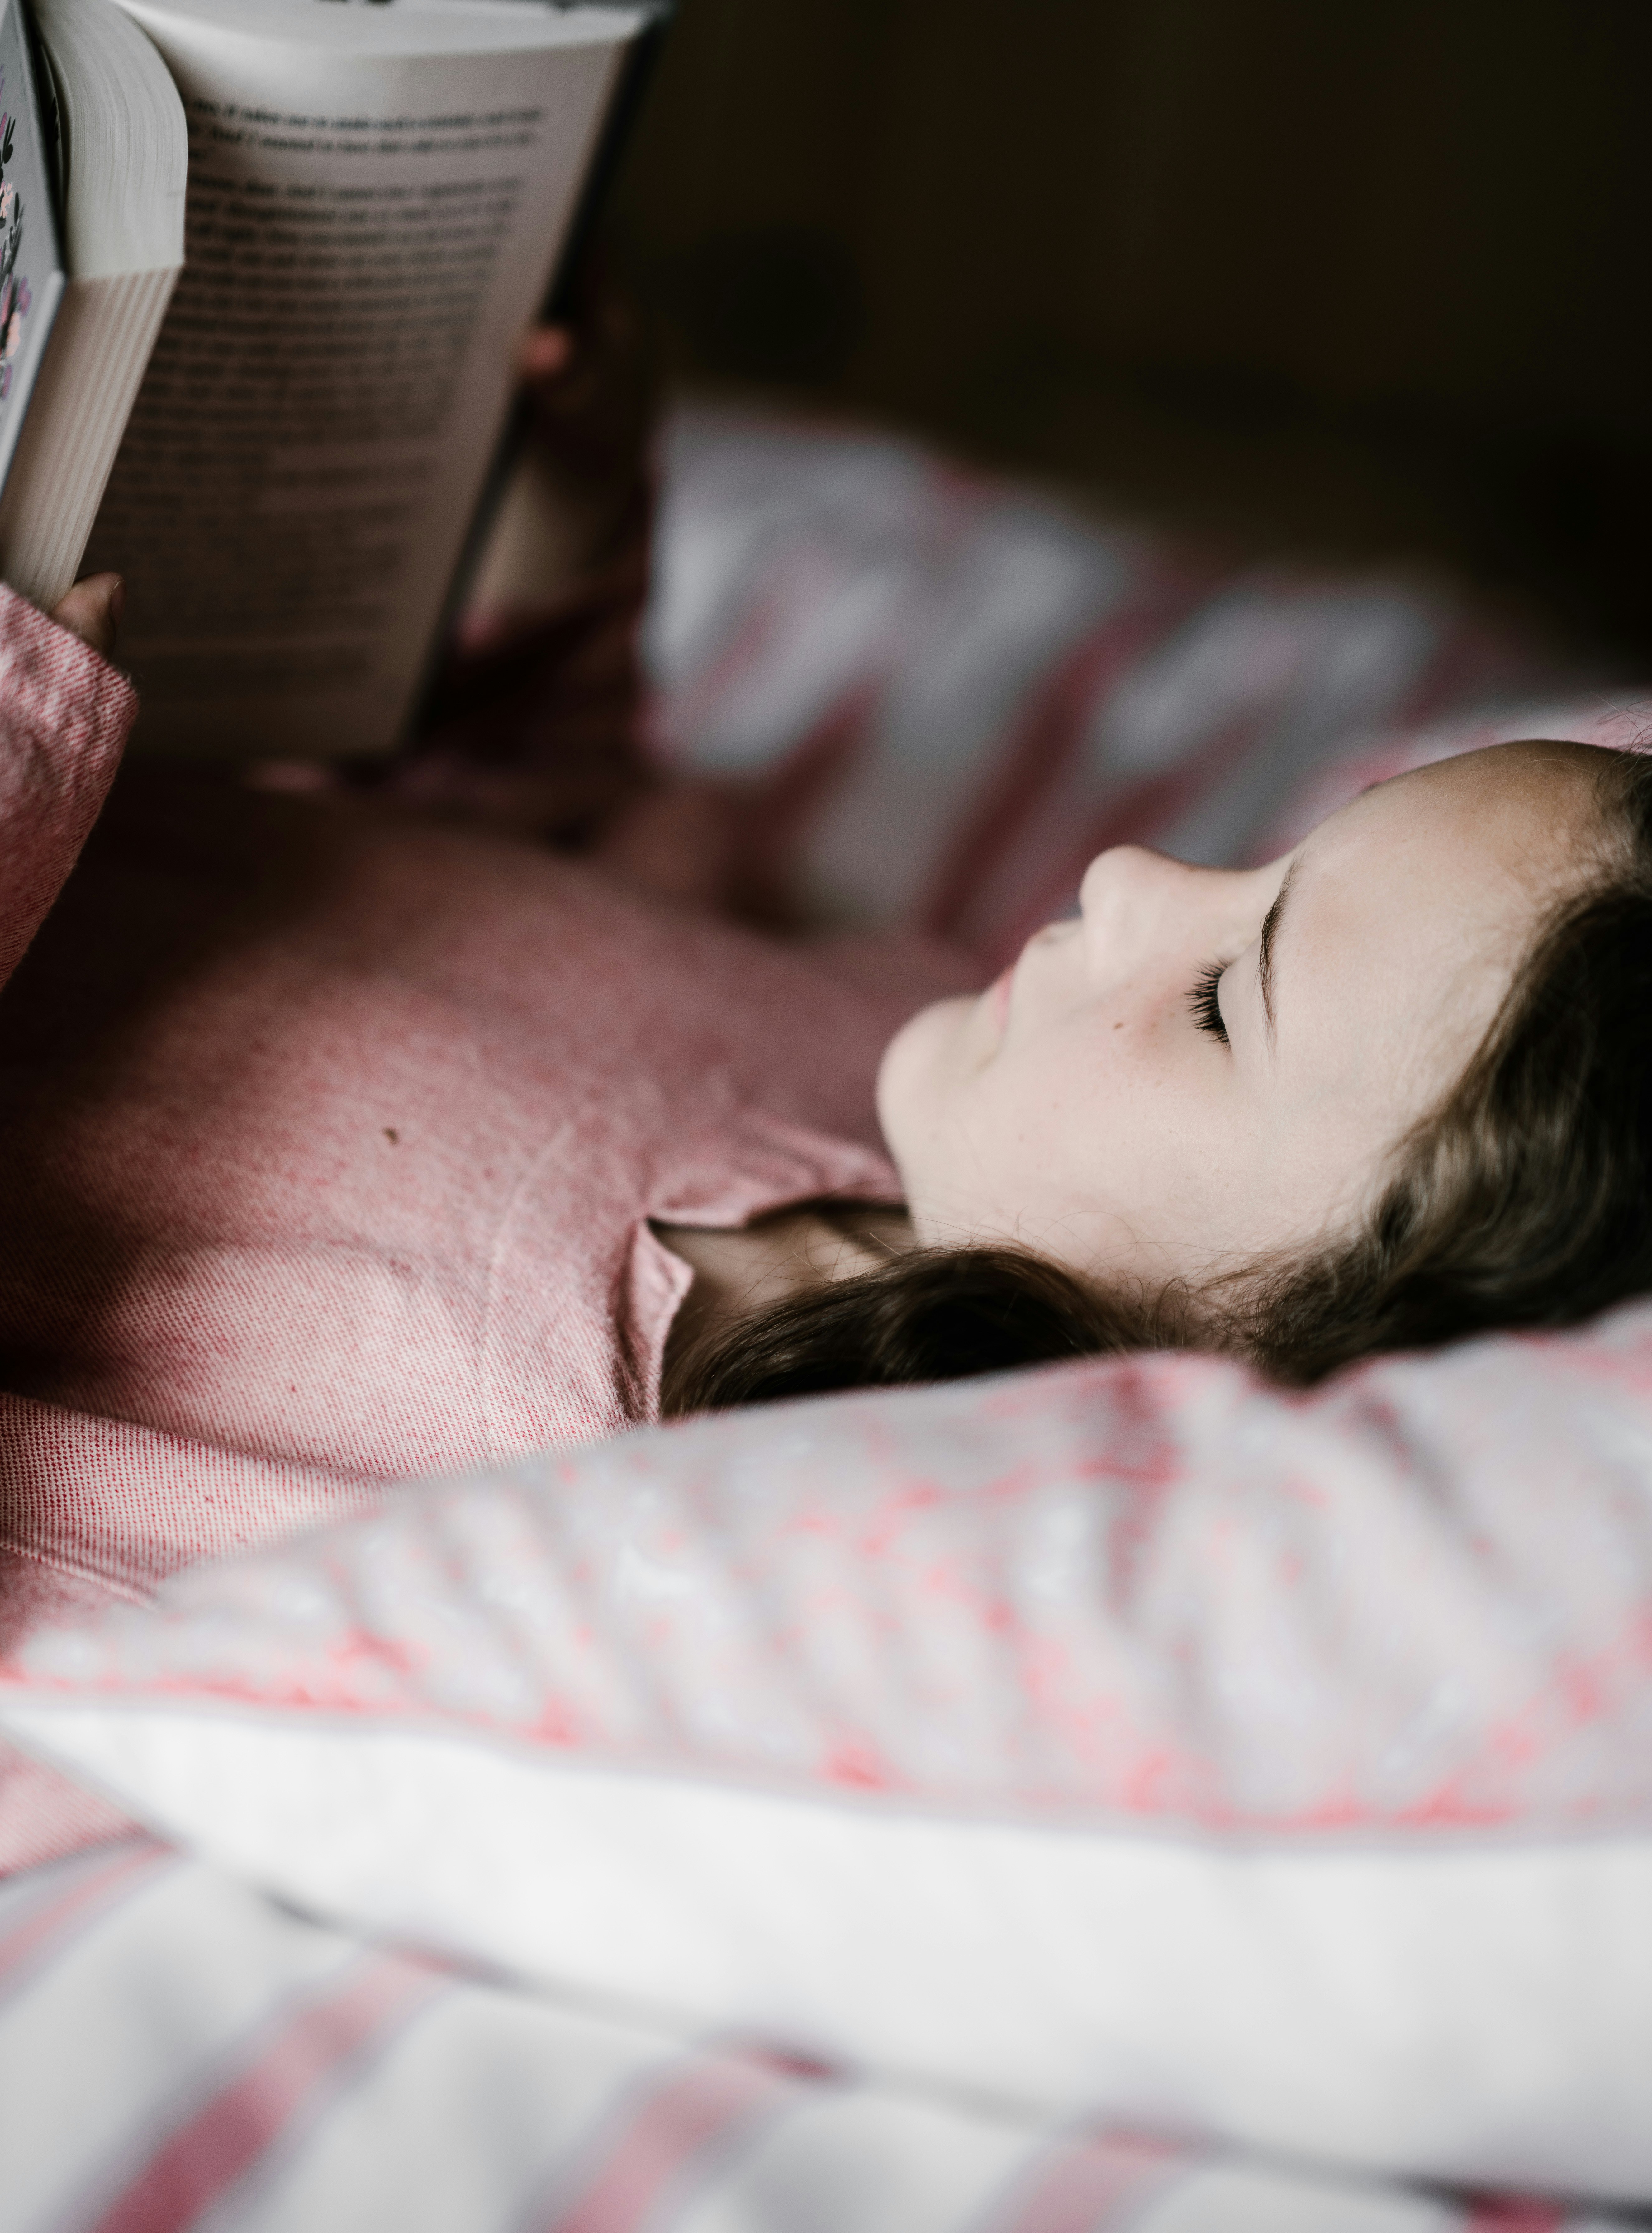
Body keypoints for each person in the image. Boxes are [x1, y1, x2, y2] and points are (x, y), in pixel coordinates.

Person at [1, 331, 1648, 1651]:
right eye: (1276, 856)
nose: (1134, 877)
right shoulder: (919, 1075)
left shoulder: (539, 1528)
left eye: (1223, 1000)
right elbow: (490, 862)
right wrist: (532, 567)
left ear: (1294, 1375)